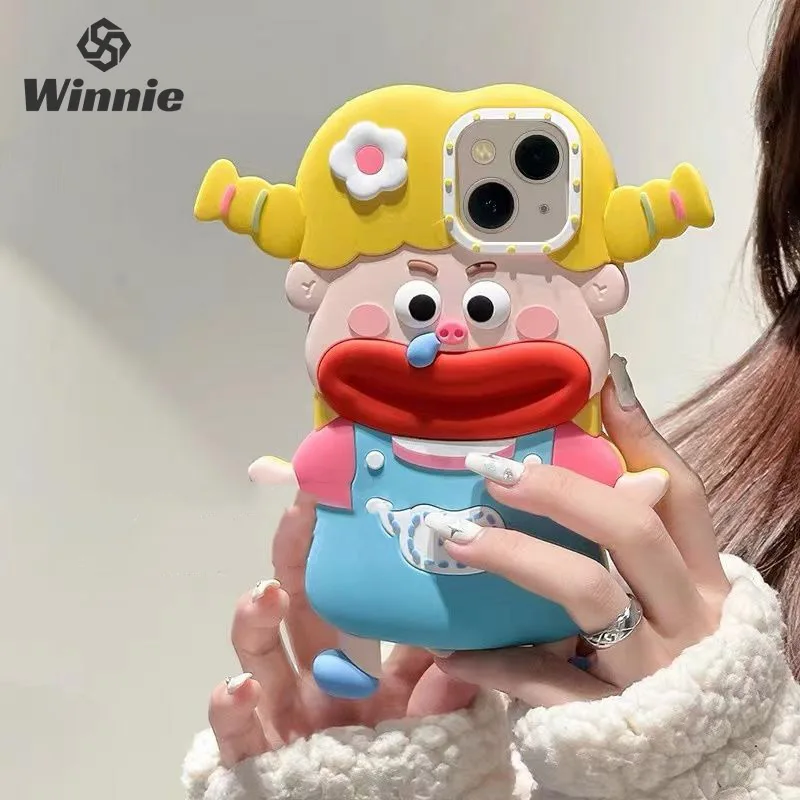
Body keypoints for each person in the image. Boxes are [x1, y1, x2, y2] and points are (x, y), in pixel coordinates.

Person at [181, 6, 800, 797]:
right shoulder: (682, 551)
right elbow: (319, 469)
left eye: (482, 306)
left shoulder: (656, 542)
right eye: (416, 303)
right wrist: (396, 782)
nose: (442, 337)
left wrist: (710, 759)